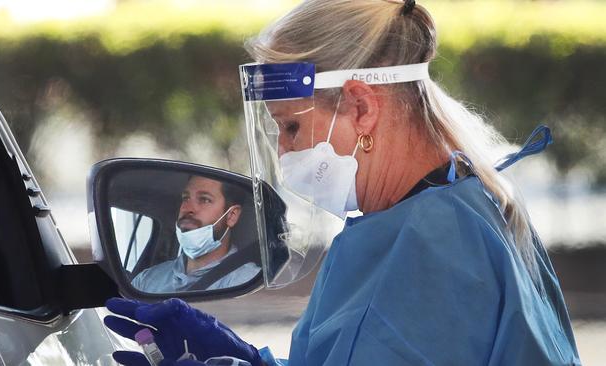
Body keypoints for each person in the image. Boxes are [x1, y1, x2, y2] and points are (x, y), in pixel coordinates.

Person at [104, 1, 581, 365]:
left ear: (361, 107)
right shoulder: (454, 208)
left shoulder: (430, 245)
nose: (284, 154)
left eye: (290, 127)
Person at [131, 175, 260, 292]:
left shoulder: (250, 283)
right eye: (186, 198)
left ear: (231, 216)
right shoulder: (146, 280)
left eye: (204, 199)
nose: (187, 208)